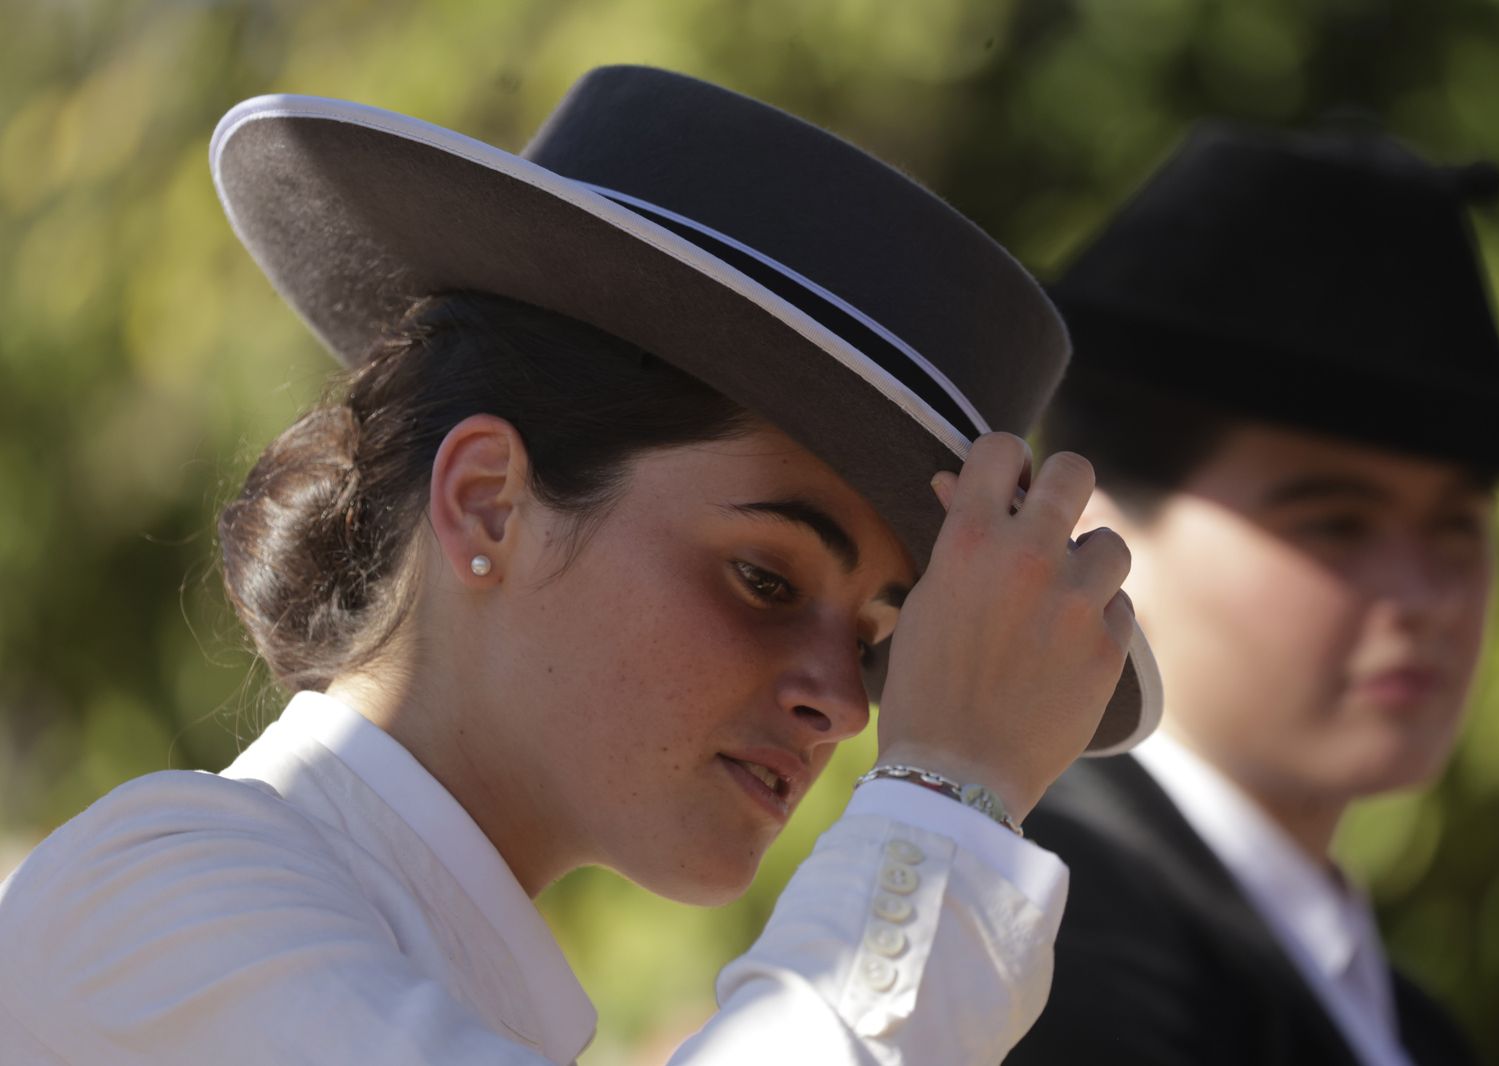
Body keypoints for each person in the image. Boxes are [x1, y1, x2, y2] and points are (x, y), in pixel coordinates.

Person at [0, 66, 1162, 1065]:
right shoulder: (151, 898)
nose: (844, 702)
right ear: (487, 504)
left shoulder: (423, 973)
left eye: (875, 638)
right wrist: (947, 793)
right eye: (765, 577)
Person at [1006, 122, 1499, 1066]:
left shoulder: (1396, 1016)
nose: (1424, 596)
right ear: (1098, 536)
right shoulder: (1047, 960)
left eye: (1456, 526)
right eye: (1335, 522)